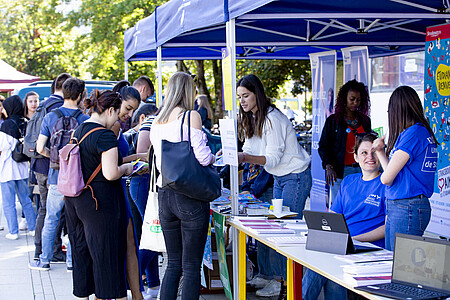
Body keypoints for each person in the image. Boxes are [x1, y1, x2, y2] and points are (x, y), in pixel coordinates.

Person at [236, 74, 311, 297]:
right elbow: (251, 147)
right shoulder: (255, 117)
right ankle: (271, 276)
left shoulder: (272, 119)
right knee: (274, 229)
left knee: (286, 231)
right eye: (240, 97)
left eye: (246, 96)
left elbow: (272, 159)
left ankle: (283, 282)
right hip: (280, 178)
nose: (242, 101)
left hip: (294, 177)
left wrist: (243, 158)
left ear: (257, 94)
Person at [63, 90, 141, 300]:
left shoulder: (78, 130)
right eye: (117, 113)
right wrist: (127, 169)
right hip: (100, 205)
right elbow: (110, 173)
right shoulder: (104, 135)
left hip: (76, 202)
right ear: (109, 110)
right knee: (107, 258)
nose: (118, 119)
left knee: (83, 255)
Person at [150, 72, 214, 299]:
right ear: (188, 91)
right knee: (191, 265)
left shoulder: (156, 120)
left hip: (164, 194)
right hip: (189, 195)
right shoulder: (191, 117)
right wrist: (216, 157)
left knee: (173, 263)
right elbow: (204, 158)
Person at [302, 132, 386, 300]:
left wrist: (354, 239)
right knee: (317, 261)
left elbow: (387, 226)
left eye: (375, 152)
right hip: (343, 245)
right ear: (355, 157)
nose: (370, 157)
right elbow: (333, 216)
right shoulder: (349, 181)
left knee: (328, 264)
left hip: (367, 248)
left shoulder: (386, 183)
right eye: (364, 152)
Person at [29, 78, 89, 272]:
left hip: (55, 176)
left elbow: (40, 148)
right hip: (78, 179)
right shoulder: (84, 119)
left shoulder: (50, 117)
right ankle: (73, 262)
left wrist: (57, 157)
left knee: (51, 218)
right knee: (75, 221)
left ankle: (44, 260)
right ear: (80, 95)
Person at [372, 86, 438, 251]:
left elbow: (386, 178)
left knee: (398, 265)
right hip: (405, 205)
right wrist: (380, 151)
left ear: (396, 111)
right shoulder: (420, 132)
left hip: (407, 206)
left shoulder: (413, 134)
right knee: (392, 262)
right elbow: (392, 174)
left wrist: (382, 173)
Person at [31, 73, 71, 262]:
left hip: (39, 164)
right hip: (53, 167)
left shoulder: (43, 104)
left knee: (45, 211)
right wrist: (57, 157)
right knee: (53, 213)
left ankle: (42, 252)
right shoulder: (58, 108)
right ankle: (50, 251)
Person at [318, 79, 371, 203]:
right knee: (340, 205)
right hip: (340, 171)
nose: (355, 103)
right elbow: (323, 146)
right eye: (352, 99)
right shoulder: (333, 121)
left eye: (358, 100)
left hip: (362, 169)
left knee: (360, 204)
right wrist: (328, 166)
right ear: (344, 99)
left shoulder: (365, 121)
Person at [0, 95, 36, 240]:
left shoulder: (7, 125)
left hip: (8, 168)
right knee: (26, 200)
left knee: (9, 202)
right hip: (22, 167)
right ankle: (33, 228)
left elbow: (3, 145)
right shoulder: (25, 122)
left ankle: (13, 232)